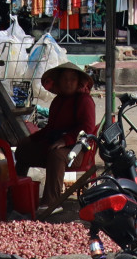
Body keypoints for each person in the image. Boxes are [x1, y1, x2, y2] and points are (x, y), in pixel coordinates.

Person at [15, 65, 99, 212]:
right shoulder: (57, 102)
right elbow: (50, 128)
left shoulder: (85, 101)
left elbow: (87, 128)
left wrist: (65, 140)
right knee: (22, 149)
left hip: (79, 149)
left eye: (72, 79)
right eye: (65, 79)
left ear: (78, 82)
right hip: (56, 143)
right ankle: (16, 194)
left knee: (56, 155)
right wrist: (32, 139)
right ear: (59, 82)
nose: (68, 83)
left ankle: (51, 202)